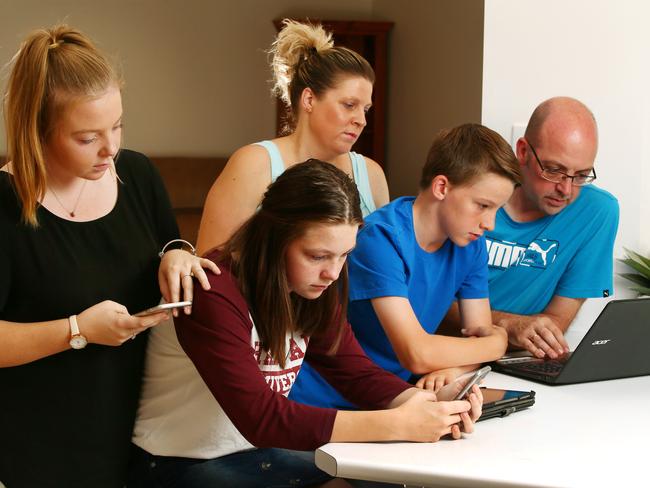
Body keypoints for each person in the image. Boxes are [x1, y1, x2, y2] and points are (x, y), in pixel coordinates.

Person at [129, 160, 483, 488]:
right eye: (317, 256)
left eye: (344, 255)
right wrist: (398, 423)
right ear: (275, 239)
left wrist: (427, 400)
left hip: (258, 454)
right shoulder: (211, 291)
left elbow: (353, 370)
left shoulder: (312, 284)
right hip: (179, 464)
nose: (332, 272)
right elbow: (261, 417)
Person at [0, 25, 216, 488]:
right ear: (38, 129)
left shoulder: (136, 174)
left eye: (117, 126)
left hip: (143, 434)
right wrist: (78, 330)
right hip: (38, 443)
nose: (110, 148)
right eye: (86, 137)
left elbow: (166, 244)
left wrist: (179, 254)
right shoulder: (4, 205)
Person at [291, 124, 521, 409]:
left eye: (497, 209)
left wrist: (455, 370)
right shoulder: (380, 238)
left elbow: (476, 336)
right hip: (324, 399)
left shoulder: (471, 245)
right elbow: (416, 353)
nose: (490, 224)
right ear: (441, 187)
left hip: (395, 396)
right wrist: (498, 343)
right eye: (482, 206)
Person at [195, 19, 389, 255]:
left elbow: (385, 265)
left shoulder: (371, 175)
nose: (362, 120)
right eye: (349, 105)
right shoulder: (254, 164)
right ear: (309, 100)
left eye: (365, 109)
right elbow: (211, 265)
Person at [447, 97, 619, 359]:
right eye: (553, 170)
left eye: (581, 175)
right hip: (442, 354)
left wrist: (518, 332)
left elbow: (552, 326)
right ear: (524, 152)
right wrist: (509, 324)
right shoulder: (468, 197)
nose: (566, 189)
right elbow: (426, 305)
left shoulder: (597, 211)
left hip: (515, 362)